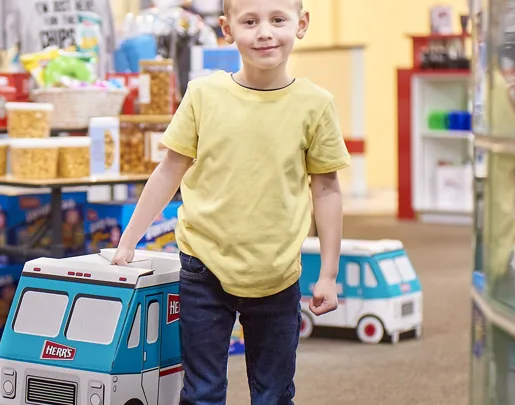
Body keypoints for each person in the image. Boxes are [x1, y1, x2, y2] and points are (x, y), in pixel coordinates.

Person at [111, 0, 351, 403]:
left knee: (273, 394)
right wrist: (128, 240)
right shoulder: (203, 94)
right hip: (203, 265)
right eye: (250, 21)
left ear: (302, 24)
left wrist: (328, 272)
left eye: (278, 20)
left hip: (277, 272)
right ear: (227, 29)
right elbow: (169, 169)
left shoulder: (316, 104)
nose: (264, 32)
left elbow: (326, 189)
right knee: (202, 392)